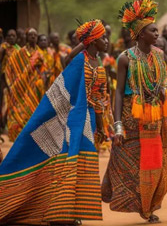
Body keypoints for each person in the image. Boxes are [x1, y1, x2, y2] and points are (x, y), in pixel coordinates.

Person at [0, 20, 109, 225]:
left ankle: (71, 211)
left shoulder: (100, 66)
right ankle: (60, 214)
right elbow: (67, 62)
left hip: (90, 122)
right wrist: (84, 42)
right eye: (102, 37)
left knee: (81, 165)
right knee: (69, 163)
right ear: (93, 41)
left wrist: (102, 127)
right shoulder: (80, 61)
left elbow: (99, 100)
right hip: (73, 121)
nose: (107, 41)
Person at [102, 0, 167, 223]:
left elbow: (165, 80)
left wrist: (164, 89)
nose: (157, 34)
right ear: (140, 33)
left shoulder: (160, 55)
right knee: (128, 164)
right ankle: (129, 200)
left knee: (156, 163)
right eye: (153, 31)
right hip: (131, 118)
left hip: (155, 118)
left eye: (157, 30)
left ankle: (150, 205)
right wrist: (118, 126)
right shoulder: (125, 59)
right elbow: (118, 92)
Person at [4, 28, 45, 141]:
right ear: (26, 37)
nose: (33, 37)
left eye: (35, 35)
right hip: (20, 89)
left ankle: (30, 139)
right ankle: (19, 139)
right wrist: (11, 84)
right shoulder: (19, 53)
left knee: (33, 113)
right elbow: (9, 67)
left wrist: (42, 85)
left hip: (34, 90)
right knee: (19, 114)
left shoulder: (40, 55)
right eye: (31, 35)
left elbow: (44, 72)